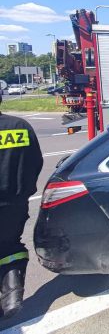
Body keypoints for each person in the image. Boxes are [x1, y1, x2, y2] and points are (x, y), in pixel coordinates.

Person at [0, 92, 43, 318]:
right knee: (10, 248)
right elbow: (35, 162)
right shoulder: (20, 126)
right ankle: (12, 296)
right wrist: (24, 192)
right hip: (14, 207)